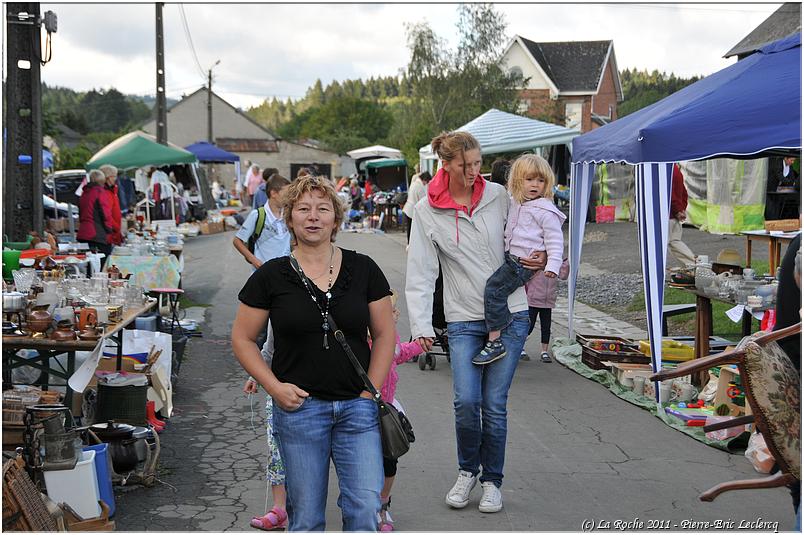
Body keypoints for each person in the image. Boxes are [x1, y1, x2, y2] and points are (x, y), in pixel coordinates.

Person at [232, 174, 396, 531]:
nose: (313, 216)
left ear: (335, 219)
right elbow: (242, 339)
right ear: (289, 218)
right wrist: (274, 387)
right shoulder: (271, 276)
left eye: (323, 209)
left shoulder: (364, 268)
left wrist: (371, 392)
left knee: (365, 508)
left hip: (357, 408)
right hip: (299, 411)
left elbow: (384, 334)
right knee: (305, 516)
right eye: (303, 209)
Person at [406, 131, 546, 514]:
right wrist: (421, 327)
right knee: (466, 401)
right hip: (464, 318)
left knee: (493, 403)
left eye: (478, 163)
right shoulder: (426, 212)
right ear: (446, 165)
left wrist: (541, 259)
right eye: (465, 165)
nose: (473, 172)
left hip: (512, 314)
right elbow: (420, 273)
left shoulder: (500, 196)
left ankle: (492, 482)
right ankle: (468, 470)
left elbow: (529, 235)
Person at [473, 154, 565, 365]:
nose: (535, 185)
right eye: (529, 179)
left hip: (522, 263)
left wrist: (552, 264)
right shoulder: (515, 202)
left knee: (493, 290)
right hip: (511, 257)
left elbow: (555, 240)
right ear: (517, 180)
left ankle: (495, 340)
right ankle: (500, 328)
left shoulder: (545, 209)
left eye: (540, 181)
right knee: (495, 290)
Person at [375, 291, 424, 532]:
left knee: (390, 458)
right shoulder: (364, 336)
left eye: (393, 310)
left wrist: (417, 346)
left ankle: (383, 504)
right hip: (362, 407)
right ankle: (365, 506)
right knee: (362, 461)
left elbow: (397, 355)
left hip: (388, 408)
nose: (391, 314)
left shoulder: (391, 336)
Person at [77, 169, 116, 267]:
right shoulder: (100, 192)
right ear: (102, 181)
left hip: (83, 233)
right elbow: (105, 213)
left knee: (89, 265)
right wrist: (110, 230)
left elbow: (81, 213)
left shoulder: (84, 193)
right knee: (102, 264)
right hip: (96, 233)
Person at [668, 163, 696, 267]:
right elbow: (684, 192)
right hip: (675, 213)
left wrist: (677, 210)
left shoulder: (667, 170)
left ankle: (695, 264)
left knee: (668, 243)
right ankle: (694, 264)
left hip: (669, 214)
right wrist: (681, 209)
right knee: (675, 242)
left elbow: (669, 193)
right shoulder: (676, 170)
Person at [401, 171, 431, 243]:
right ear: (424, 180)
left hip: (408, 208)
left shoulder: (414, 183)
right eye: (426, 182)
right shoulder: (419, 187)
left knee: (409, 228)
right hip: (412, 210)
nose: (426, 184)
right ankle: (411, 244)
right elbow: (422, 200)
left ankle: (409, 243)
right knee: (413, 229)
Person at [99, 165, 122, 246]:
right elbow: (106, 215)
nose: (115, 179)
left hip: (113, 232)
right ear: (107, 177)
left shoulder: (112, 191)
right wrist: (116, 228)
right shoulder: (105, 193)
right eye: (114, 176)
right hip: (110, 233)